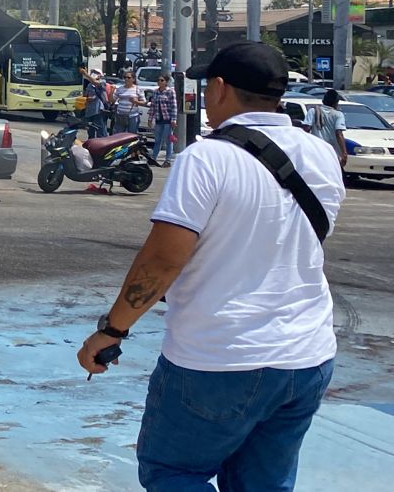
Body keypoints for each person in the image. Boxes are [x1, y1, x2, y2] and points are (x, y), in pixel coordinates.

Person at [76, 42, 343, 490]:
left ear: (219, 88)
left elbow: (163, 259)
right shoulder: (321, 155)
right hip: (307, 358)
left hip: (217, 360)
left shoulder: (206, 158)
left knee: (175, 473)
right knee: (263, 484)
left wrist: (112, 330)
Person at [310, 90, 348, 170]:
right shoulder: (338, 114)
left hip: (315, 150)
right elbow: (339, 133)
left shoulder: (312, 111)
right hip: (332, 152)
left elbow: (306, 128)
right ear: (336, 103)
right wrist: (344, 153)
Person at [147, 74, 178, 167]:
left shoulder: (170, 92)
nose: (159, 82)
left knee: (168, 140)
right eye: (158, 80)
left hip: (168, 119)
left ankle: (167, 160)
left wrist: (173, 120)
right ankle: (153, 158)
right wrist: (150, 118)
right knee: (157, 140)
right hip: (158, 119)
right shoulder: (156, 92)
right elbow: (153, 106)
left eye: (162, 80)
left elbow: (174, 106)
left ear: (166, 82)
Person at [80, 68, 113, 138]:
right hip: (89, 110)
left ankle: (103, 145)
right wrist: (87, 98)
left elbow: (95, 82)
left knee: (100, 130)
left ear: (100, 75)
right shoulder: (89, 85)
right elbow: (86, 95)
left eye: (95, 72)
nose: (93, 73)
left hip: (98, 110)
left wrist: (85, 74)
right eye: (92, 72)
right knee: (90, 130)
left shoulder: (102, 82)